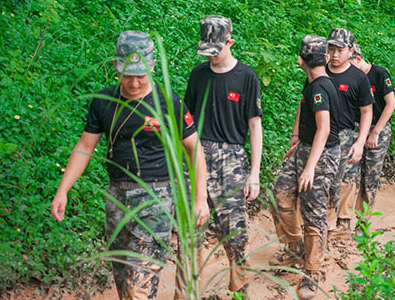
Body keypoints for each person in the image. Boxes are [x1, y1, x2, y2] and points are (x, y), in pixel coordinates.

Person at [50, 30, 209, 300]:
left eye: (141, 75)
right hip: (117, 197)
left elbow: (194, 150)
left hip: (156, 199)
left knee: (140, 289)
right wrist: (62, 190)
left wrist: (200, 198)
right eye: (127, 75)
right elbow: (85, 147)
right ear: (116, 65)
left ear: (153, 66)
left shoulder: (169, 102)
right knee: (124, 280)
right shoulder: (103, 101)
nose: (134, 83)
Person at [184, 15, 262, 296]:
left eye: (214, 51)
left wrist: (254, 174)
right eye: (206, 51)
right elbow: (187, 123)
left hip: (231, 159)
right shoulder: (198, 75)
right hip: (197, 154)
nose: (210, 57)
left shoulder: (246, 77)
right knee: (191, 231)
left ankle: (239, 289)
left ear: (230, 42)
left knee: (235, 233)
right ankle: (192, 291)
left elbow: (255, 126)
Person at [269, 34, 340, 300]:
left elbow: (325, 129)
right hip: (305, 148)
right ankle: (295, 247)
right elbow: (304, 108)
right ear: (326, 58)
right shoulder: (311, 82)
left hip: (321, 155)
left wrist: (309, 168)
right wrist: (297, 139)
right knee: (279, 195)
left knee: (314, 215)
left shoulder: (321, 88)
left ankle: (312, 272)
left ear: (301, 59)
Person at [325, 29, 373, 235]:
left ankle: (343, 221)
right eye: (331, 49)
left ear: (350, 51)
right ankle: (324, 223)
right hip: (321, 134)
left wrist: (360, 141)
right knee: (325, 179)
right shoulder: (320, 71)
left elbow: (366, 111)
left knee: (345, 178)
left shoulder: (358, 78)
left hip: (346, 134)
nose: (335, 55)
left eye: (340, 50)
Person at [349, 43, 395, 214]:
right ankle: (345, 218)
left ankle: (363, 221)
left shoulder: (379, 73)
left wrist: (376, 132)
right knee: (349, 175)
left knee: (370, 177)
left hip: (378, 129)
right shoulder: (352, 77)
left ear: (358, 59)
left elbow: (391, 104)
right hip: (355, 129)